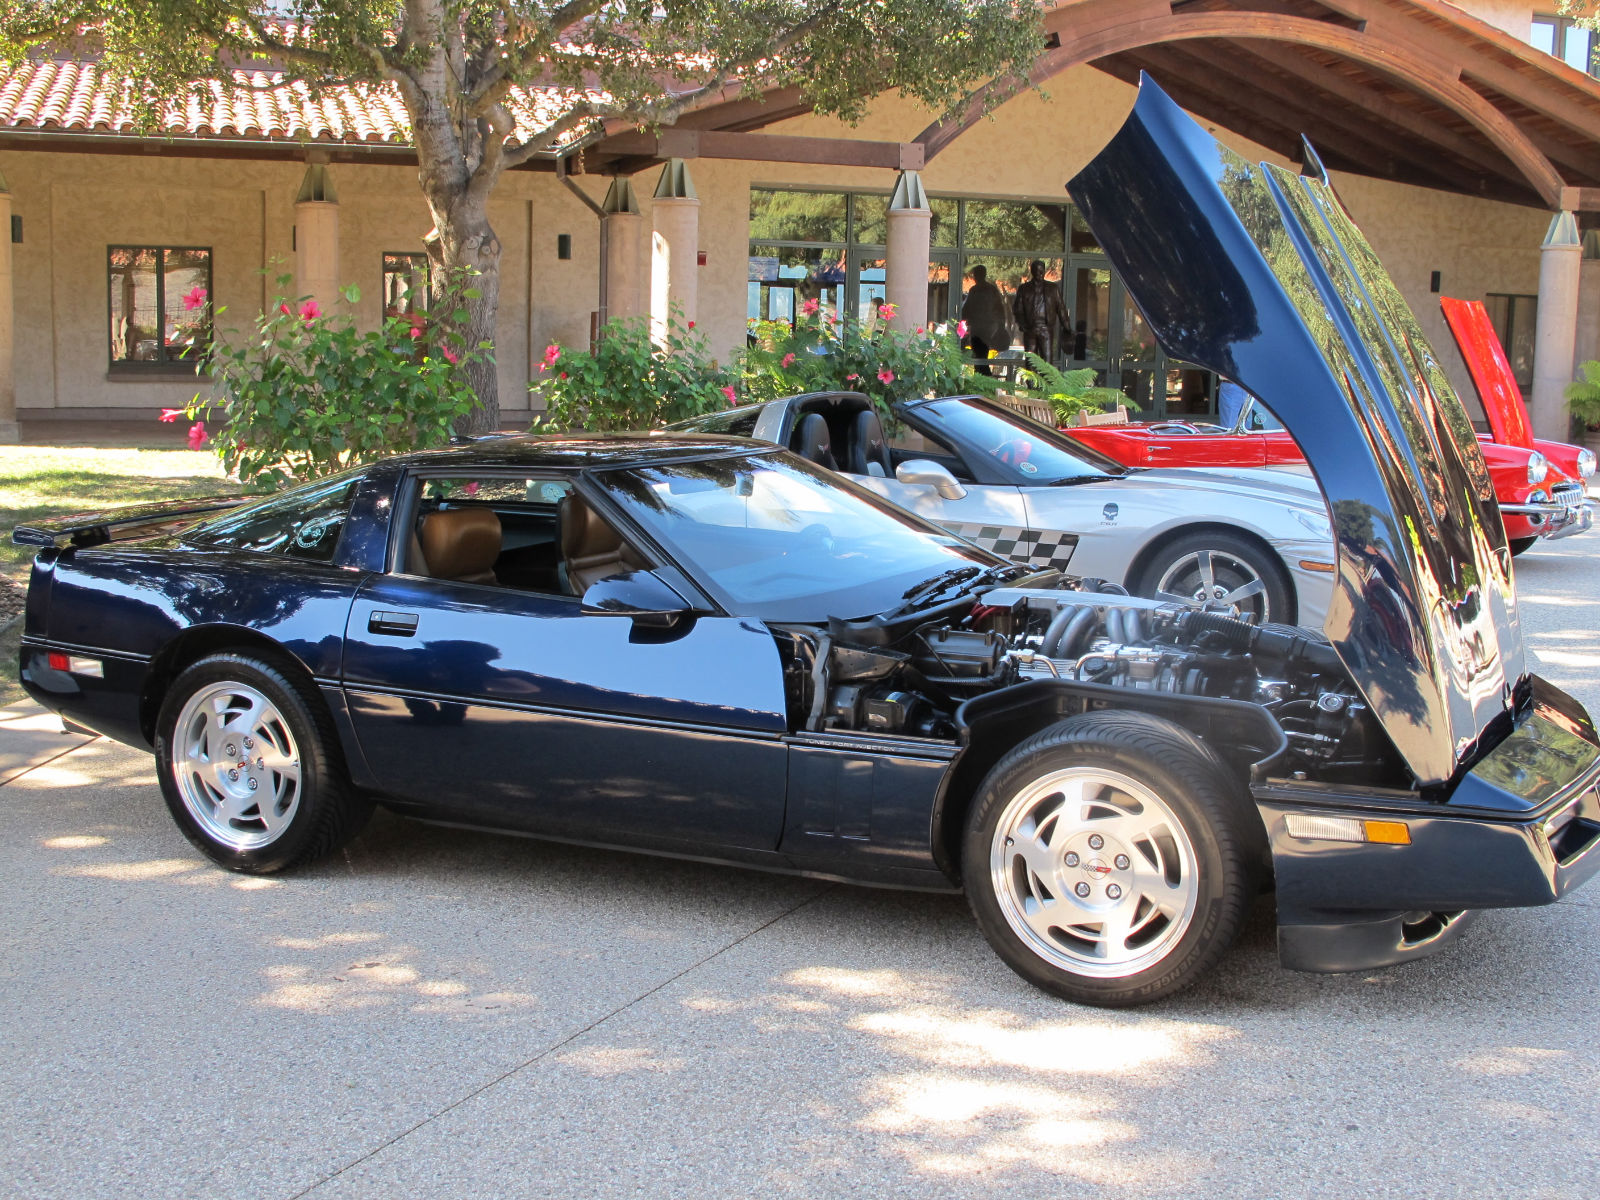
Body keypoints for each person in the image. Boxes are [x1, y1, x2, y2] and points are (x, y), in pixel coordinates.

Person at [1012, 259, 1070, 360]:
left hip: (1046, 329)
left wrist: (1067, 327)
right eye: (1037, 271)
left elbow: (1061, 309)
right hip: (1030, 329)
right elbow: (1018, 310)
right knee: (1031, 361)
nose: (1040, 274)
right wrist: (1023, 325)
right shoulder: (1024, 288)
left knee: (1047, 360)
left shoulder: (1053, 288)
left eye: (1041, 271)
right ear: (1032, 271)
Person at [961, 265, 1008, 376]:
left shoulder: (978, 290)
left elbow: (966, 309)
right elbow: (1000, 309)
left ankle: (984, 378)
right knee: (980, 357)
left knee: (980, 358)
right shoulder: (989, 290)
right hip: (987, 328)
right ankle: (982, 377)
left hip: (982, 329)